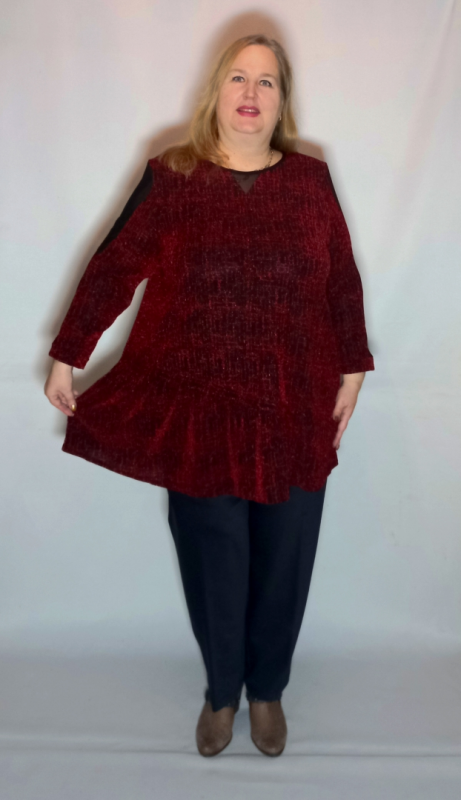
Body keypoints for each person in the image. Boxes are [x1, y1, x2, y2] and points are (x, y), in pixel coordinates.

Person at [44, 34, 375, 758]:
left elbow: (340, 278)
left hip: (295, 405)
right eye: (237, 77)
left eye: (266, 81)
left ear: (282, 102)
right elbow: (114, 266)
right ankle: (223, 692)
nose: (251, 93)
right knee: (212, 559)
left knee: (285, 558)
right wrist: (69, 352)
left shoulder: (311, 181)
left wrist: (353, 367)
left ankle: (268, 691)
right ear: (216, 91)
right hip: (200, 411)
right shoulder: (172, 176)